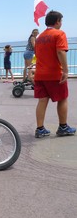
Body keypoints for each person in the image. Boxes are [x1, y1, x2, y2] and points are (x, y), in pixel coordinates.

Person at [34, 10, 76, 138]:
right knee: (62, 99)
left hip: (40, 74)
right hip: (54, 74)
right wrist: (66, 70)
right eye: (61, 21)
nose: (61, 23)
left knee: (42, 101)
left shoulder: (39, 37)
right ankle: (63, 127)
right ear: (57, 21)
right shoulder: (59, 34)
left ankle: (40, 129)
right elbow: (60, 52)